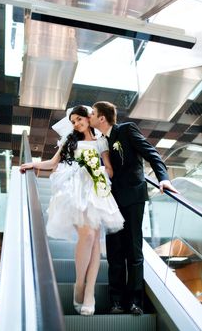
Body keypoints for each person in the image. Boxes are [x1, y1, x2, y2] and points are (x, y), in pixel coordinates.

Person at [20, 105, 124, 316]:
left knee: (94, 239)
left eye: (79, 119)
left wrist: (96, 168)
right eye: (73, 121)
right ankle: (79, 284)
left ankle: (89, 293)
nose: (76, 123)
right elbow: (53, 162)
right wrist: (31, 164)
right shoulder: (70, 140)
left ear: (88, 118)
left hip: (95, 188)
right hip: (74, 188)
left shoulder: (101, 141)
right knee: (86, 235)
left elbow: (110, 170)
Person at [89, 101, 178, 316]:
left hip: (133, 197)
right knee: (114, 251)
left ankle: (135, 302)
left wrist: (163, 179)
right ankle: (117, 302)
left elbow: (151, 153)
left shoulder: (126, 130)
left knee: (134, 251)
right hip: (111, 201)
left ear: (102, 118)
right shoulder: (99, 142)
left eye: (92, 113)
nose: (90, 116)